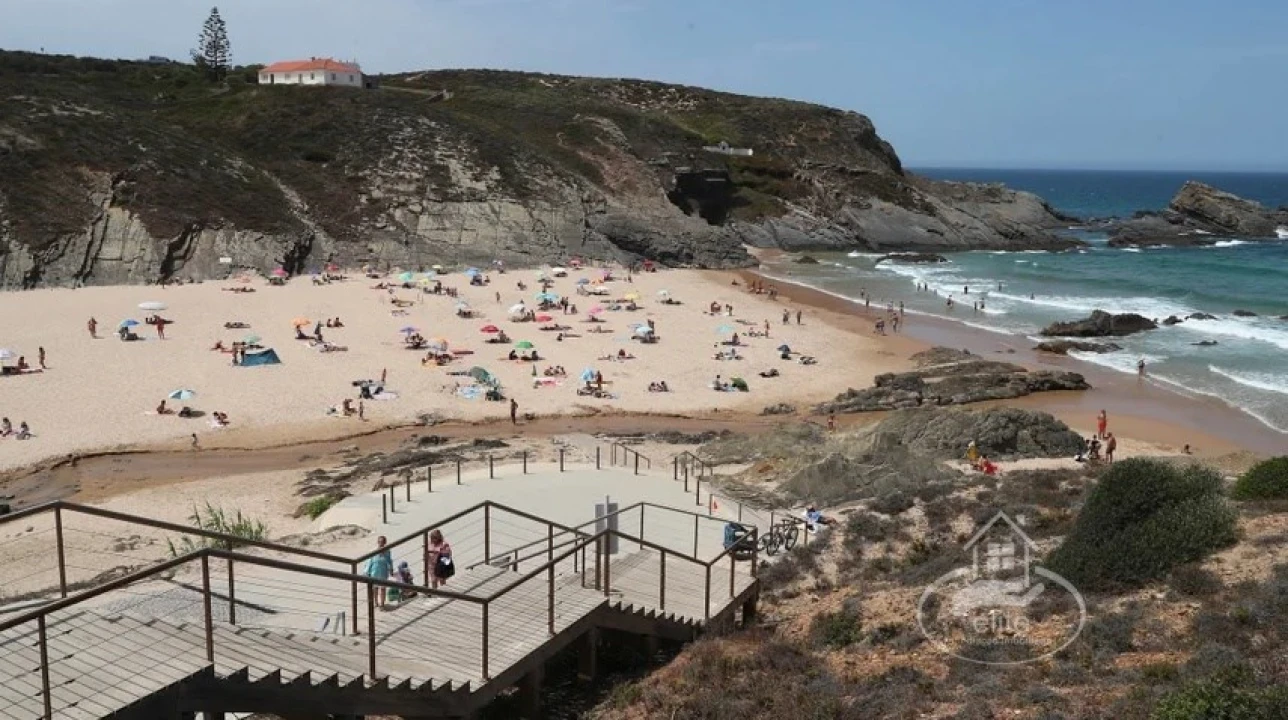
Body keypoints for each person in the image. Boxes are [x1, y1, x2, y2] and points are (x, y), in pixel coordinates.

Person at [366, 536, 394, 608]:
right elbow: (369, 561)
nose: (380, 544)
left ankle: (382, 604)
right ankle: (376, 603)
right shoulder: (374, 550)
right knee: (375, 588)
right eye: (379, 542)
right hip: (374, 571)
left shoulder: (387, 551)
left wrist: (391, 569)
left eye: (382, 542)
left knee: (383, 588)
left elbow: (389, 561)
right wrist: (367, 571)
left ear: (385, 543)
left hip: (383, 571)